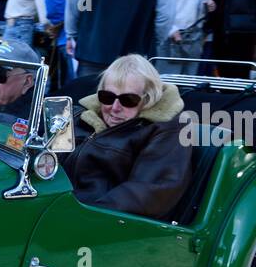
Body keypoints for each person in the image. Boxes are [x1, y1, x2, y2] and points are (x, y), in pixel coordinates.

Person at [61, 54, 191, 220]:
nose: (114, 108)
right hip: (60, 205)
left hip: (101, 218)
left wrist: (85, 214)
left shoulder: (166, 130)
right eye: (107, 97)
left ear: (148, 99)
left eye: (128, 100)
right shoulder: (82, 115)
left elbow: (149, 191)